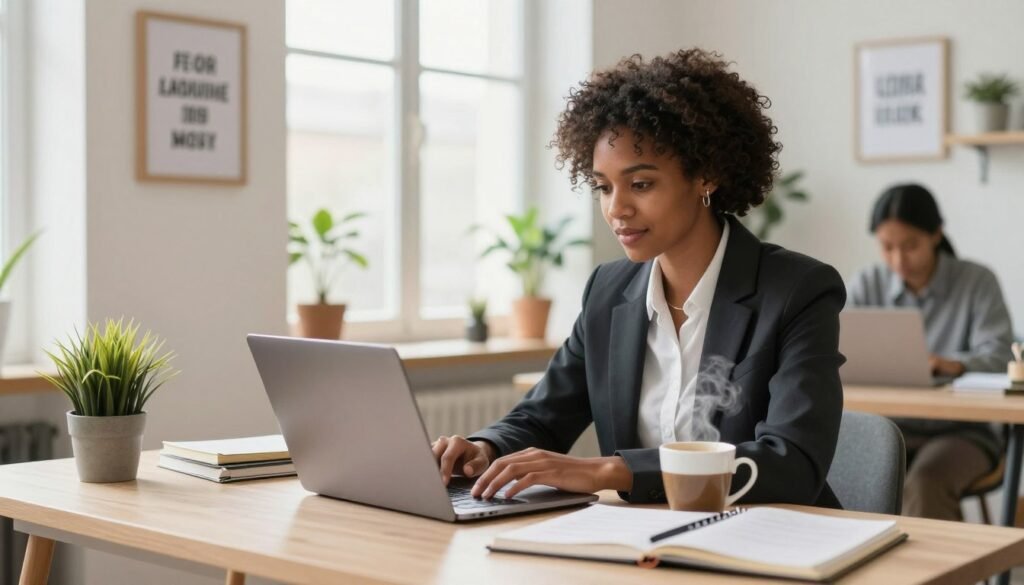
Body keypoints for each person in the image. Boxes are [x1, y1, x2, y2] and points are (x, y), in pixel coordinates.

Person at [432, 48, 846, 506]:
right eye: (604, 187)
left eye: (641, 184)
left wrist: (612, 470)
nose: (616, 209)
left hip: (771, 544)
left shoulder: (796, 291)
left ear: (706, 175)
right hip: (645, 542)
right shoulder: (608, 293)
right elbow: (543, 417)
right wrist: (483, 448)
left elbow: (791, 461)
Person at [848, 183, 1013, 521]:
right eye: (887, 247)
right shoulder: (867, 283)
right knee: (849, 475)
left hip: (965, 431)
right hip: (888, 427)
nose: (898, 259)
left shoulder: (977, 282)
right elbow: (840, 351)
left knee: (925, 482)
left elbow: (1001, 357)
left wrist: (953, 365)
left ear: (936, 234)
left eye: (910, 246)